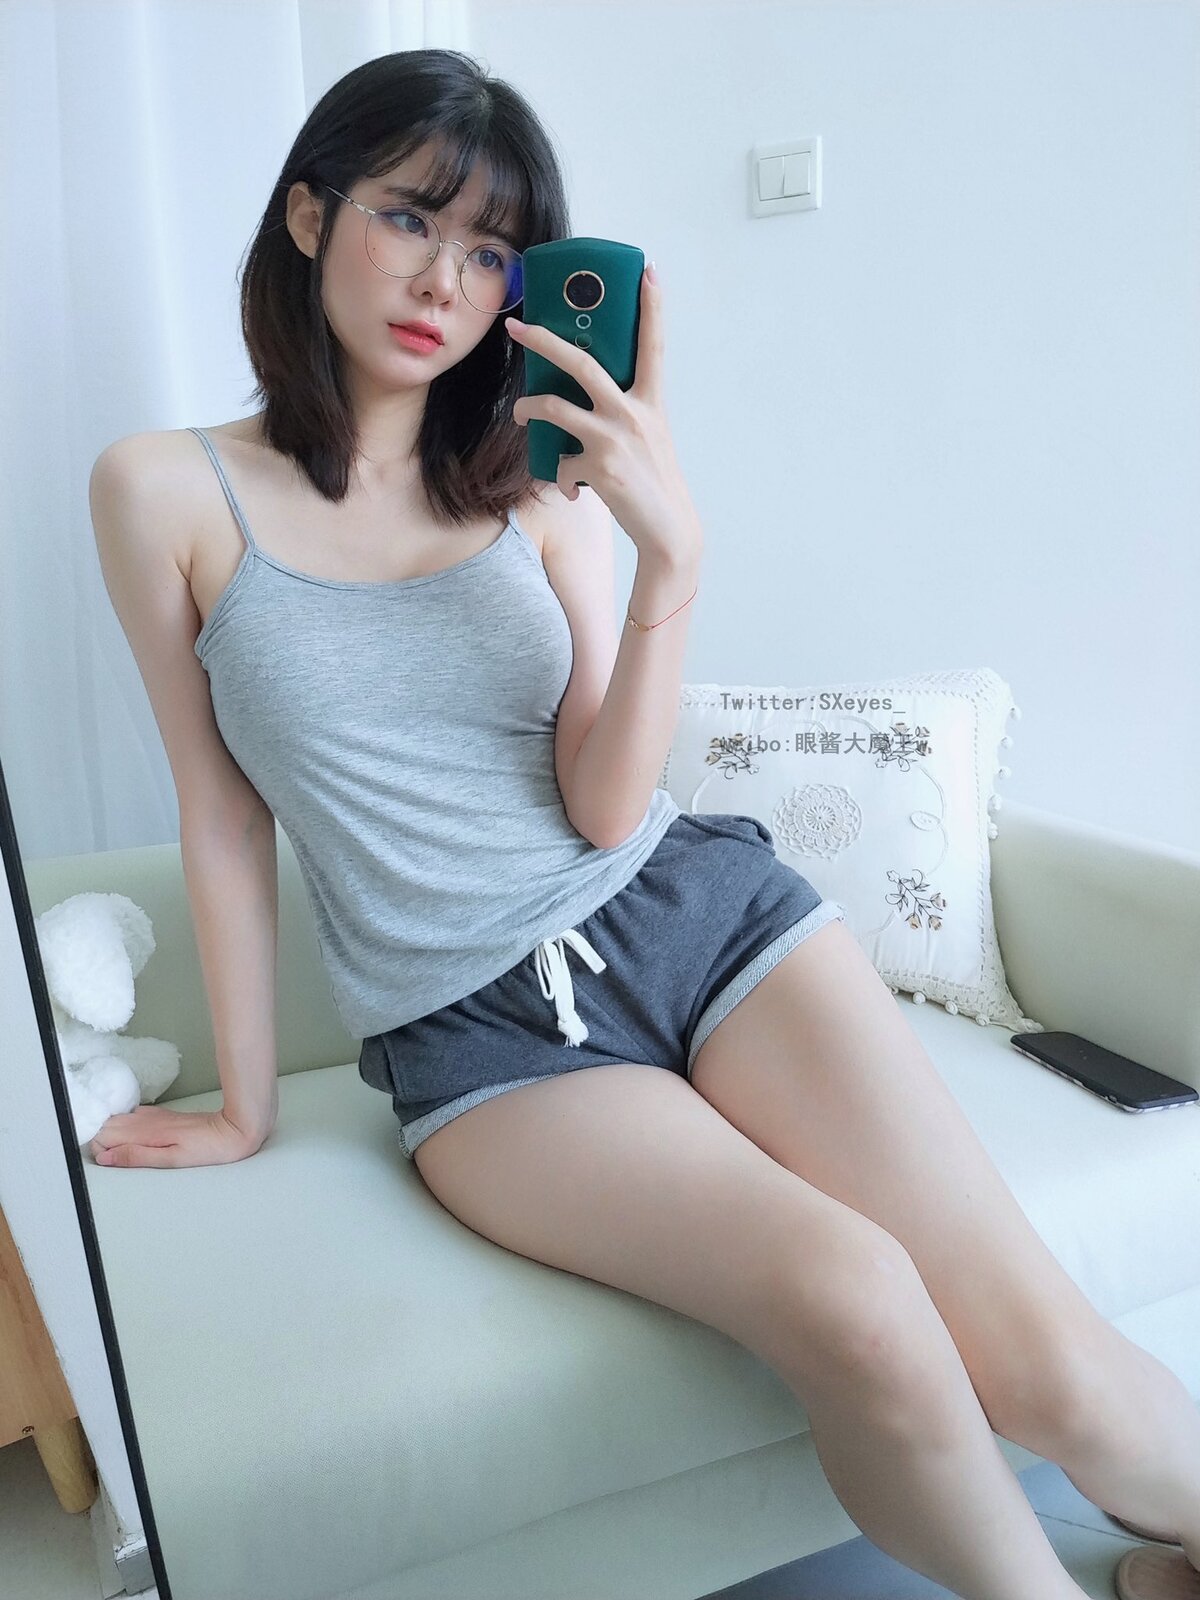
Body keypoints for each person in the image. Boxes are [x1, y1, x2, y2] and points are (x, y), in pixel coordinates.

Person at [87, 48, 1199, 1600]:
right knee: (859, 1299)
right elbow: (220, 816)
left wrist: (668, 558)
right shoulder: (162, 492)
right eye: (410, 219)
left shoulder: (538, 487)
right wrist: (244, 1107)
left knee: (1050, 1359)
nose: (446, 281)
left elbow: (605, 800)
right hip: (483, 1042)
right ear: (307, 214)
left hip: (695, 914)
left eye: (491, 250)